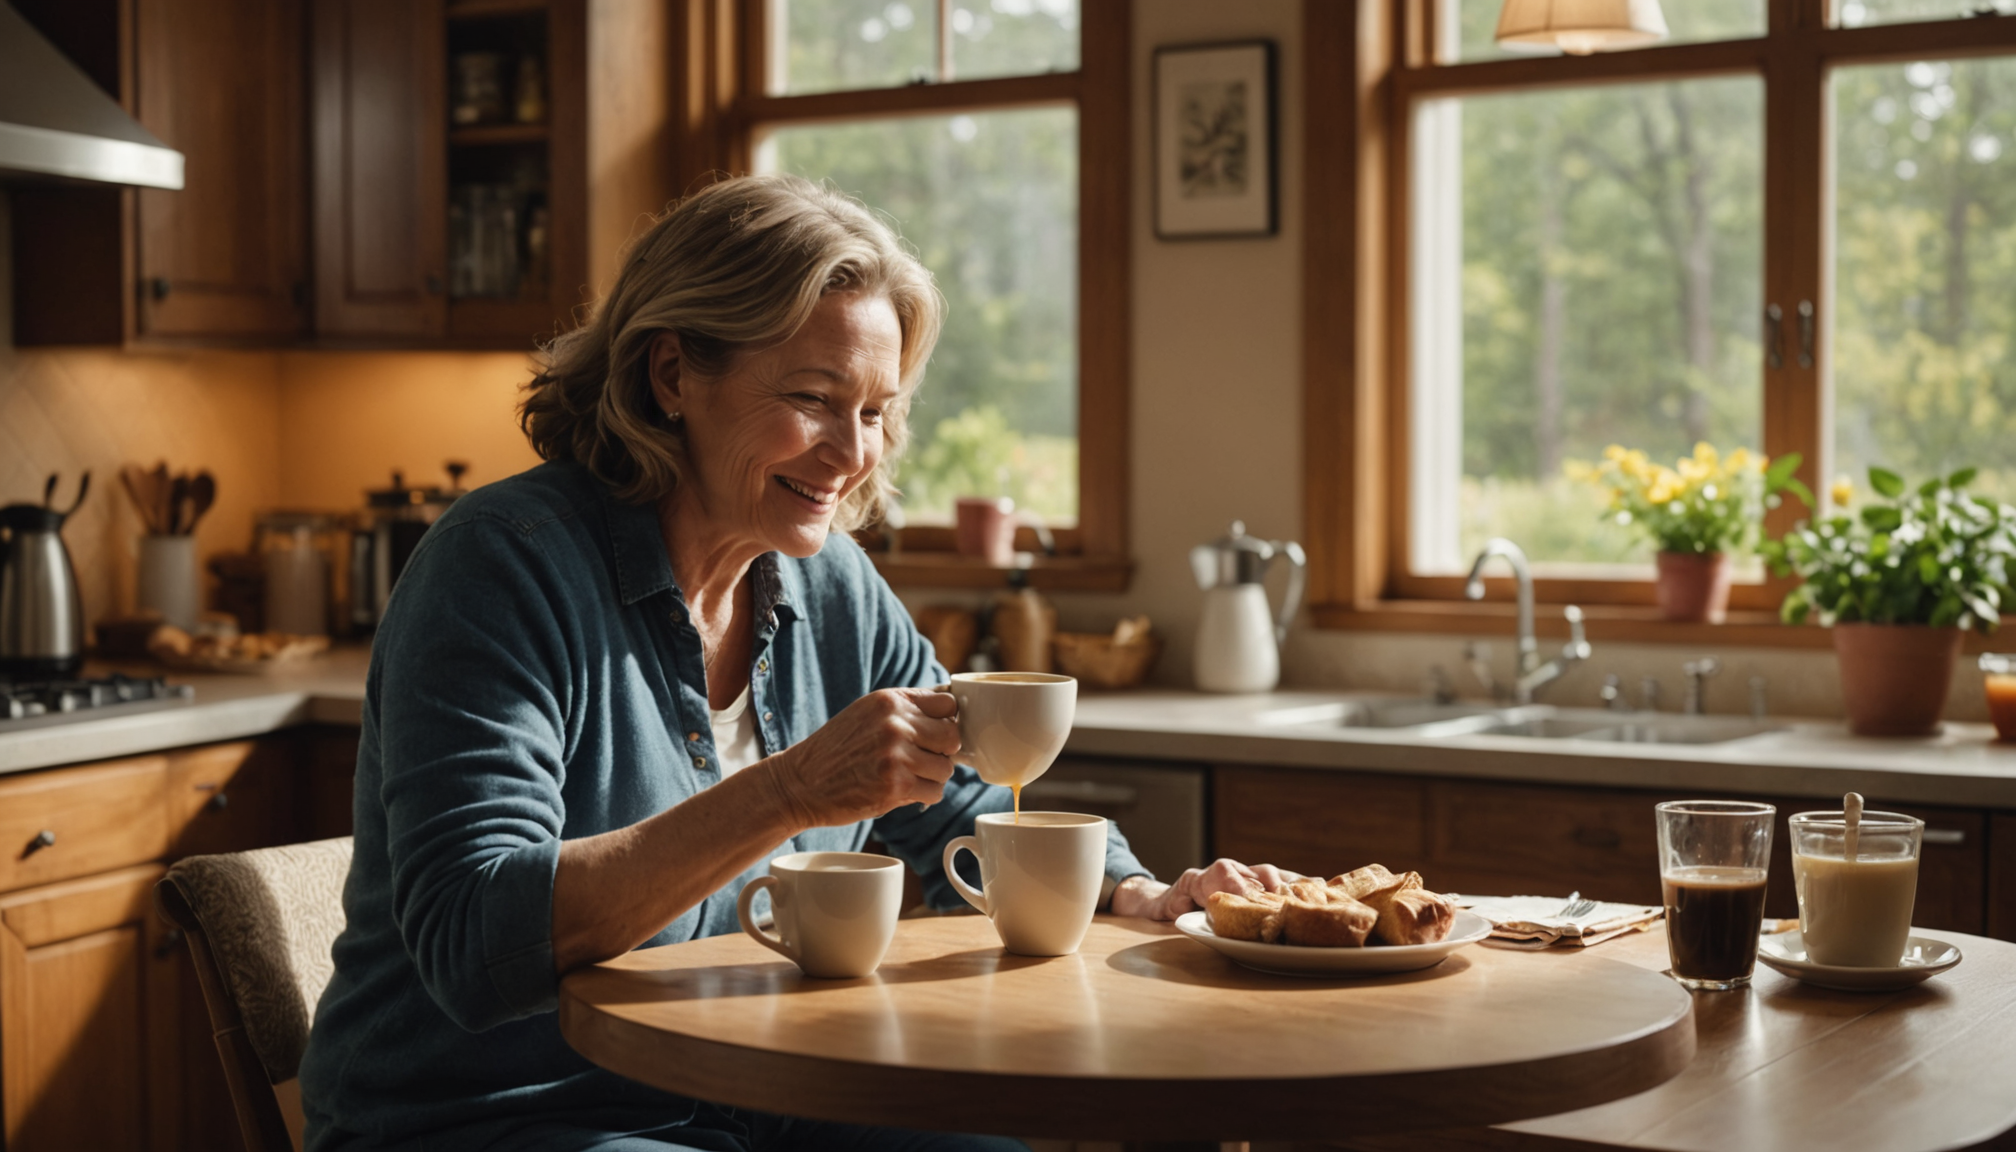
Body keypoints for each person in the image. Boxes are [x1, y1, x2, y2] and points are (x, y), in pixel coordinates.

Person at [299, 174, 1295, 1152]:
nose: (851, 453)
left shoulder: (829, 585)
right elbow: (476, 944)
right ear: (671, 374)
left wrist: (1135, 891)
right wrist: (790, 792)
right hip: (514, 1113)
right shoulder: (501, 566)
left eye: (874, 413)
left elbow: (960, 809)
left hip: (760, 1089)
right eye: (816, 400)